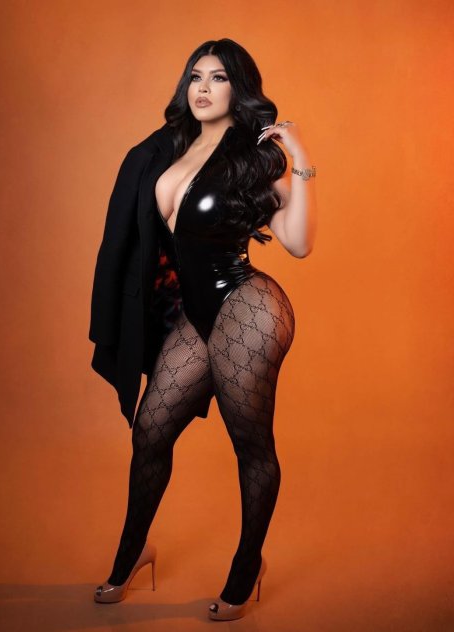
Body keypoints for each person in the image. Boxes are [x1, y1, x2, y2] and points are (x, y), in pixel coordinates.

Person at [91, 38, 317, 621]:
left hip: (248, 309)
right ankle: (134, 552)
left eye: (218, 78)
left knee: (251, 444)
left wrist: (301, 161)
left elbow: (297, 243)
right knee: (150, 431)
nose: (203, 88)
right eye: (196, 76)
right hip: (194, 314)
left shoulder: (254, 158)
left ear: (239, 89)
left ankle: (247, 565)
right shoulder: (169, 148)